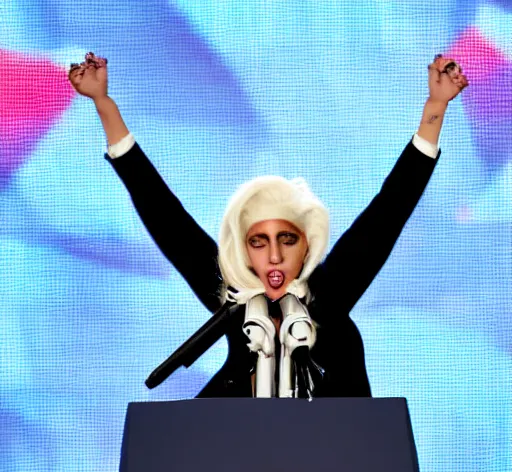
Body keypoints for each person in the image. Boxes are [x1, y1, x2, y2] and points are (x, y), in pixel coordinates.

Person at [68, 52, 468, 398]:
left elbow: (390, 210)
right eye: (259, 242)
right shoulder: (232, 298)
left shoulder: (330, 293)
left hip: (340, 464)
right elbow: (166, 218)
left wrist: (435, 108)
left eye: (286, 240)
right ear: (244, 252)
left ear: (306, 245)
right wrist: (104, 104)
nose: (274, 255)